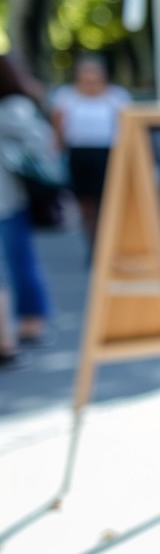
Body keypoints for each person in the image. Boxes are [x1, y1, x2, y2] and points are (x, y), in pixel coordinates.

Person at [0, 55, 56, 354]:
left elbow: (41, 142)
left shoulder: (12, 109)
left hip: (9, 199)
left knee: (19, 260)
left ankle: (31, 320)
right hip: (8, 199)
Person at [49, 54, 131, 250]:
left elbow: (127, 130)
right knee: (86, 205)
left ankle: (108, 245)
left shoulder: (117, 97)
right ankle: (94, 244)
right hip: (79, 156)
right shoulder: (66, 97)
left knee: (109, 203)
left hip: (108, 156)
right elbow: (59, 130)